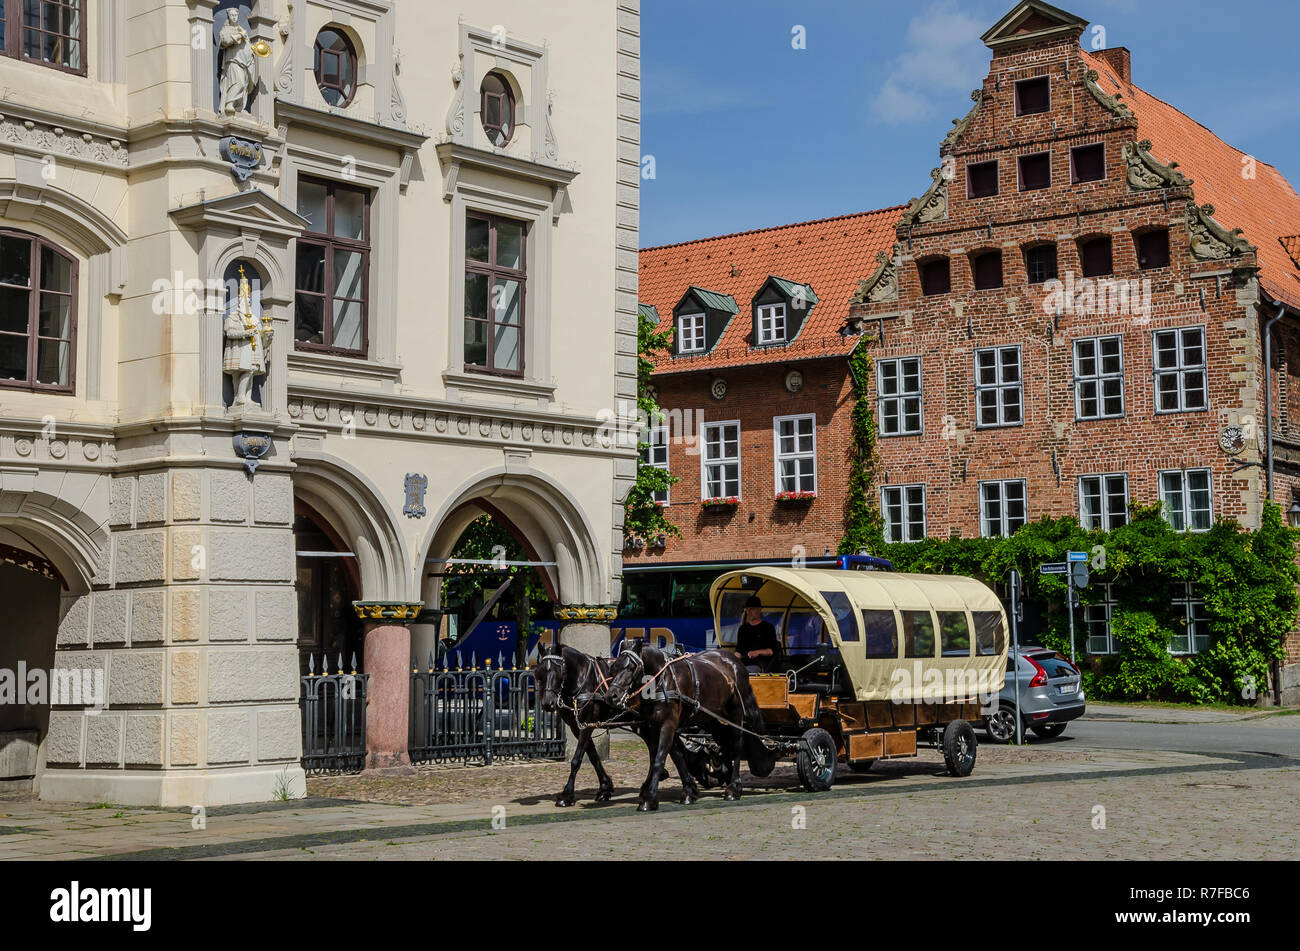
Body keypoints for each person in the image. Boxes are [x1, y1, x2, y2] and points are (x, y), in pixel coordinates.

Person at [734, 596, 781, 674]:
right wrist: (730, 658)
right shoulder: (743, 629)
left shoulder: (768, 627)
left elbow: (772, 650)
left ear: (759, 610)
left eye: (752, 609)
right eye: (747, 609)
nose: (749, 611)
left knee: (743, 672)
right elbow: (739, 651)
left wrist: (757, 652)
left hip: (760, 665)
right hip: (743, 664)